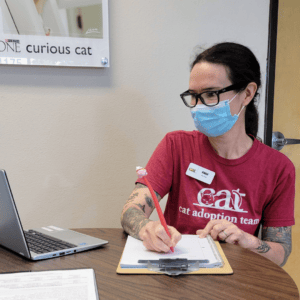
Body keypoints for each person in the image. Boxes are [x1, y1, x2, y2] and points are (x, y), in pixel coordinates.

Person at [121, 42, 295, 267]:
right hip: (178, 273)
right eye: (193, 95)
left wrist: (247, 241)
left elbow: (280, 253)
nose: (198, 106)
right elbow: (130, 211)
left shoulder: (278, 168)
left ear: (247, 94)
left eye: (211, 94)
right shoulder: (176, 146)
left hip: (237, 279)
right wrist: (147, 228)